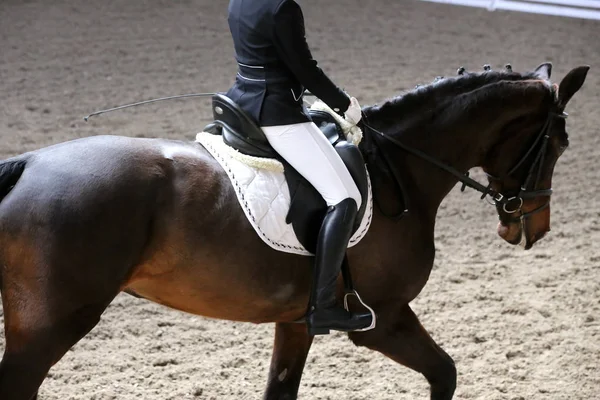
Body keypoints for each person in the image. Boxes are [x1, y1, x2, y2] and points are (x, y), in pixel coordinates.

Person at [225, 0, 372, 335]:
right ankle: (324, 307)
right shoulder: (283, 7)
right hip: (277, 116)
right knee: (344, 197)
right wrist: (342, 102)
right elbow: (304, 68)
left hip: (240, 103)